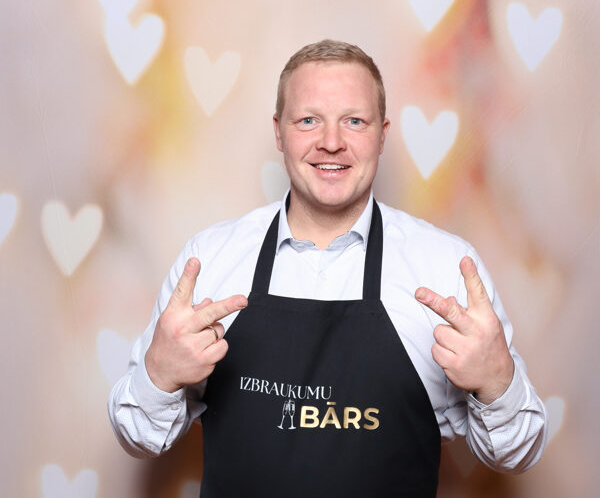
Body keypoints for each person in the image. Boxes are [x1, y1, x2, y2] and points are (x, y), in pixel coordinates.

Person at [109, 40, 547, 497]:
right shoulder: (211, 259)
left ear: (382, 134)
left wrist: (498, 384)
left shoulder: (446, 268)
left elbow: (516, 454)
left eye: (354, 121)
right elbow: (139, 437)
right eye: (308, 120)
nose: (332, 142)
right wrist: (158, 376)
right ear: (279, 132)